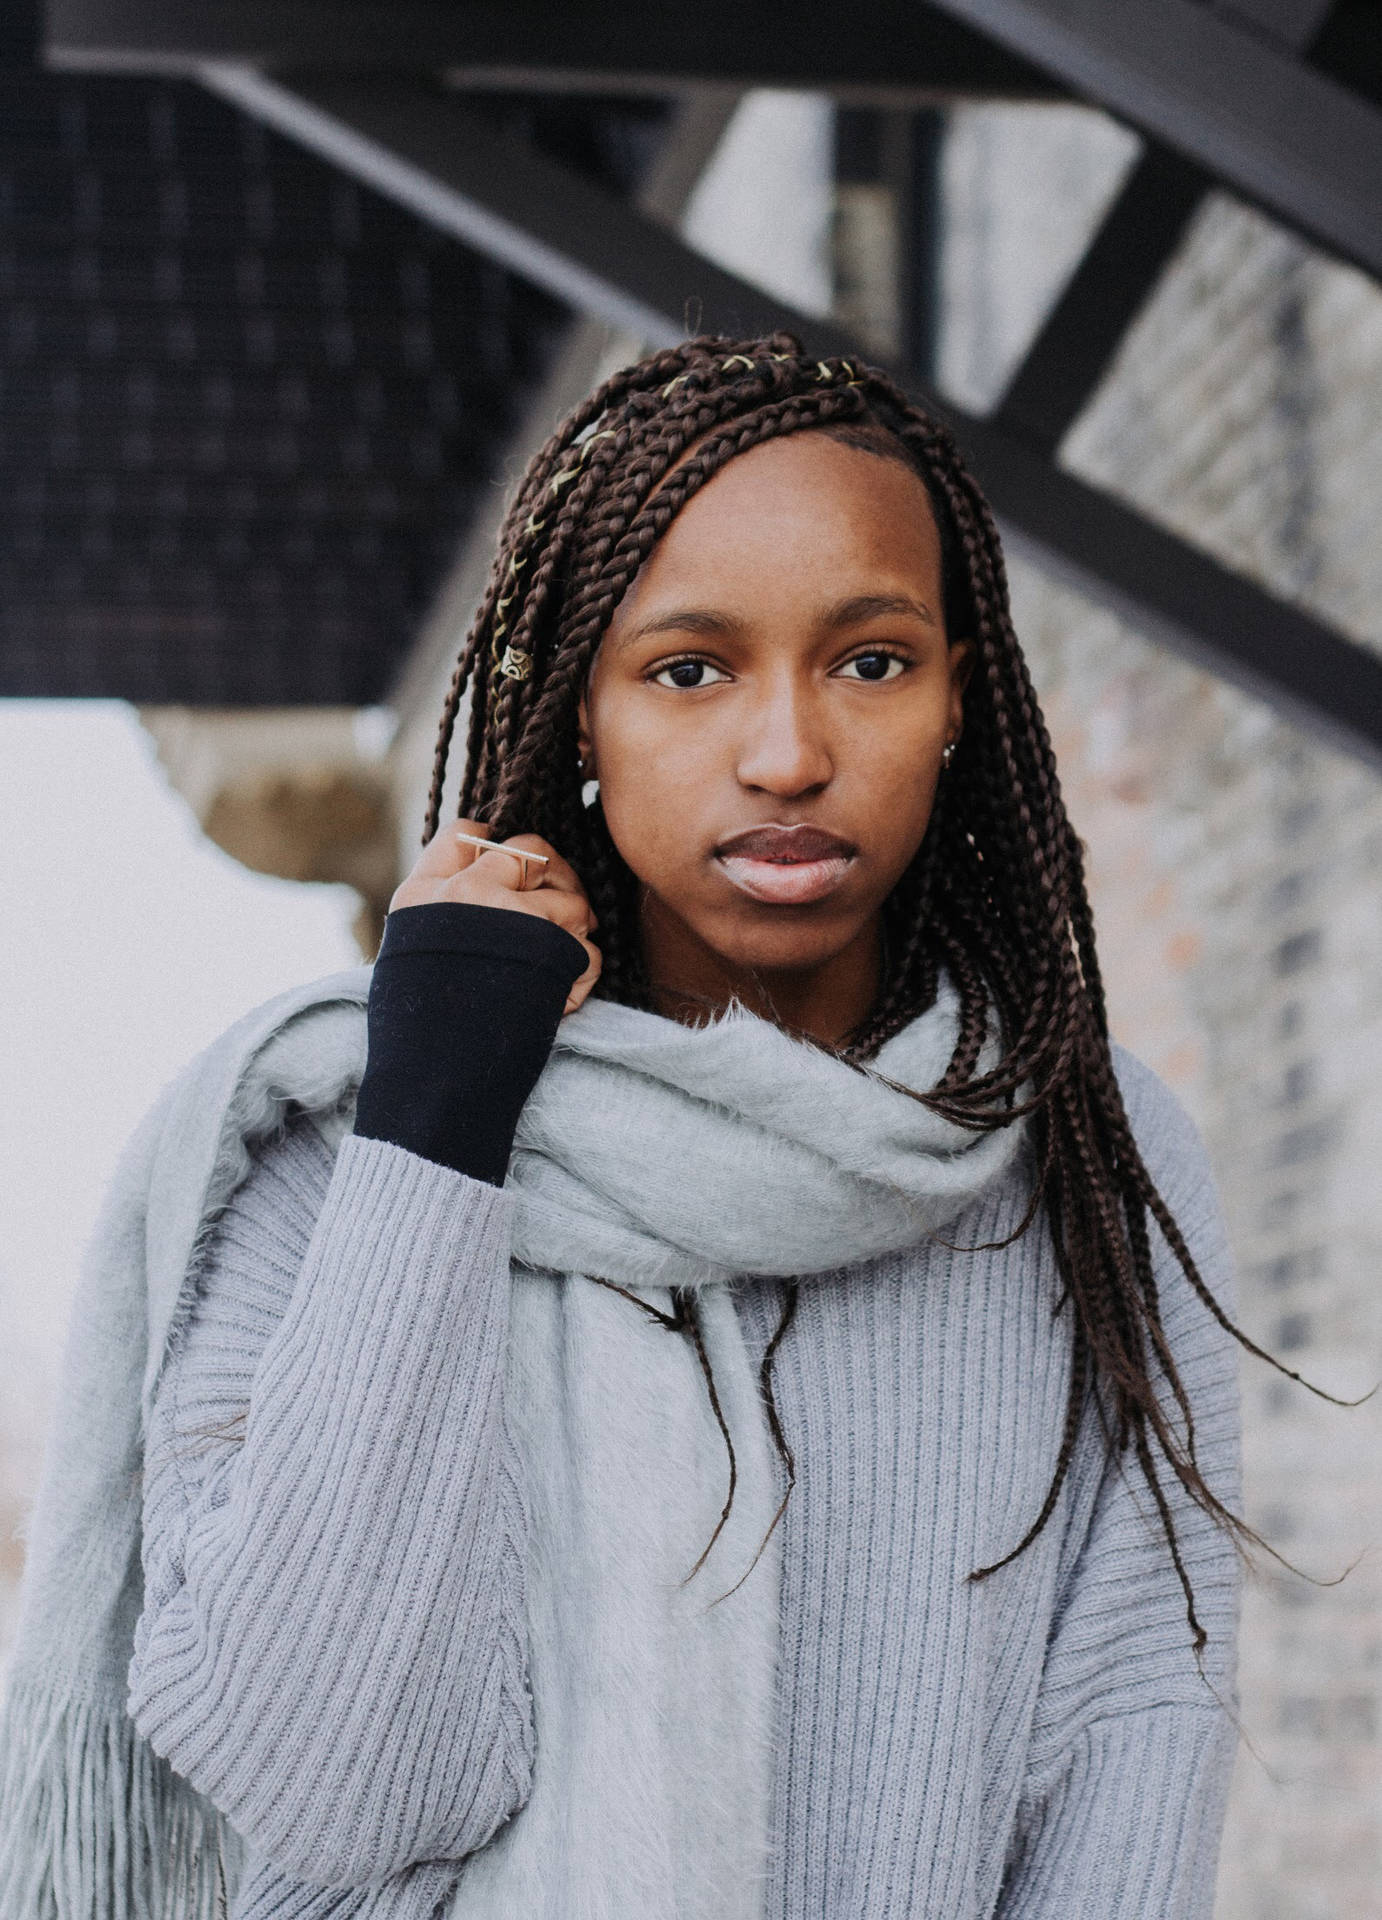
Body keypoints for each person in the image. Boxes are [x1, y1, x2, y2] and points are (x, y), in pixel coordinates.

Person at [1, 334, 1260, 1919]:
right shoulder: (334, 1143)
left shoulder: (1081, 1150)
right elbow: (339, 1787)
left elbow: (1133, 1759)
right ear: (582, 715)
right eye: (688, 669)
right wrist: (438, 1119)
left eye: (870, 660)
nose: (788, 751)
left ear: (958, 700)